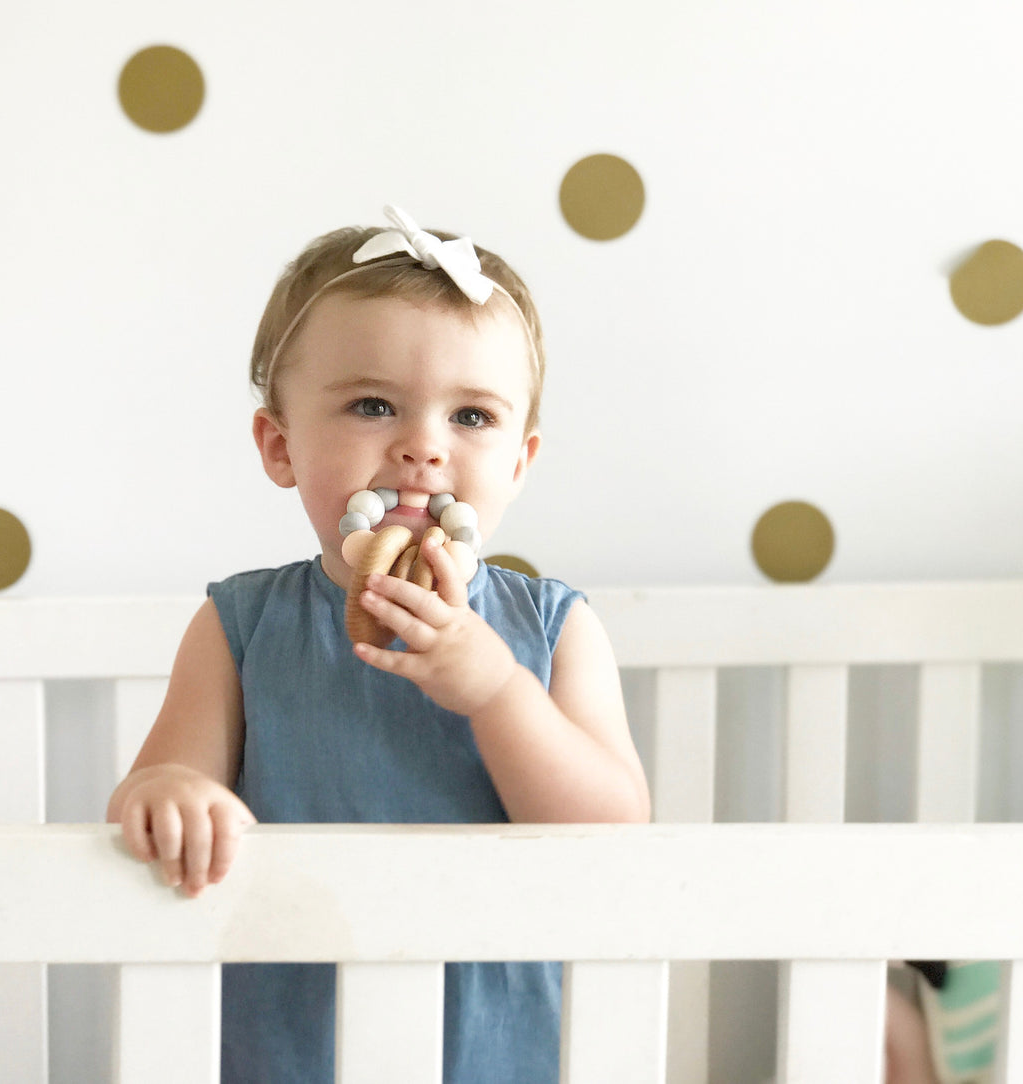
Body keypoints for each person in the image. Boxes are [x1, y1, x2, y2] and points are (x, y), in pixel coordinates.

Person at [106, 205, 651, 1083]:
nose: (421, 450)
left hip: (498, 1045)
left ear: (518, 461)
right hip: (290, 1042)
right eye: (372, 406)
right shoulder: (240, 628)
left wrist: (494, 690)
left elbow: (613, 831)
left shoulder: (554, 631)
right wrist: (167, 791)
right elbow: (152, 795)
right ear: (279, 446)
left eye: (471, 417)